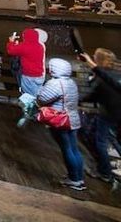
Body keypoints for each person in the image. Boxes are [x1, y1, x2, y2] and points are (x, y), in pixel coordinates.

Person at [37, 57, 85, 191]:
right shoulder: (71, 82)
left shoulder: (55, 83)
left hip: (61, 121)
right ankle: (79, 178)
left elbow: (42, 98)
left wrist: (40, 90)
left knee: (67, 149)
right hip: (73, 119)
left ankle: (74, 179)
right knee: (75, 149)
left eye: (51, 67)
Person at [80, 48, 121, 184]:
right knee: (114, 139)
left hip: (108, 113)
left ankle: (105, 173)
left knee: (101, 143)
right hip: (118, 114)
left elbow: (92, 95)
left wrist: (76, 100)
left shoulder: (102, 79)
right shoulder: (117, 74)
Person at [5, 28, 47, 97]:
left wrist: (11, 42)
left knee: (29, 96)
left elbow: (11, 51)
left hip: (29, 76)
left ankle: (32, 107)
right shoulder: (40, 46)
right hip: (39, 75)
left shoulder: (24, 46)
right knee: (38, 94)